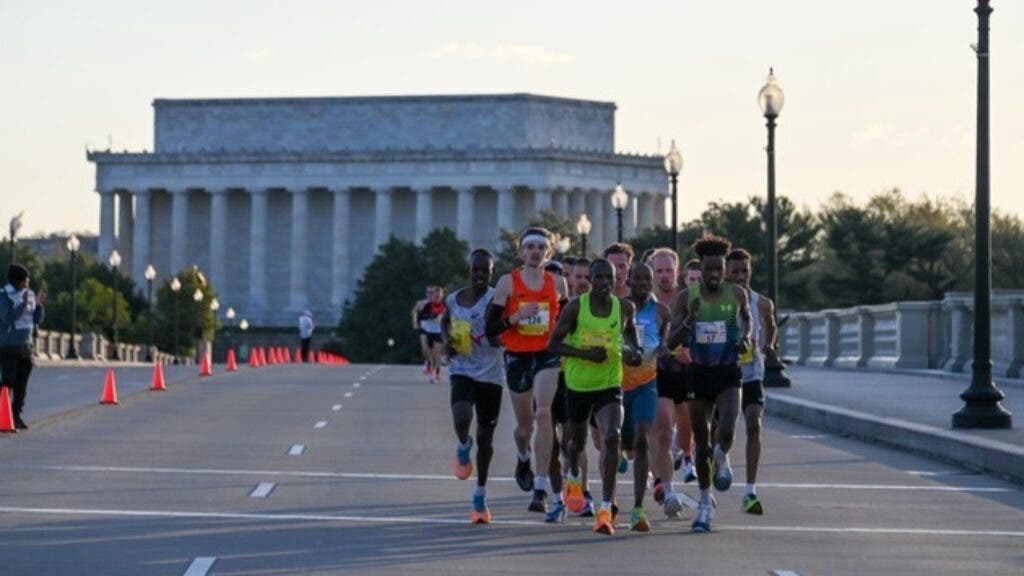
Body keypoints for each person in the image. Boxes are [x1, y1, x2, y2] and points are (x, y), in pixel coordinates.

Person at [548, 258, 642, 536]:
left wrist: (634, 354)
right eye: (598, 277)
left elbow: (632, 339)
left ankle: (605, 508)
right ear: (590, 280)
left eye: (608, 278)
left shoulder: (624, 307)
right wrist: (585, 354)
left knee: (612, 436)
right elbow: (553, 345)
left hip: (609, 383)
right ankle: (574, 476)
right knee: (576, 443)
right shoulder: (576, 307)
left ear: (615, 280)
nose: (604, 283)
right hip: (578, 384)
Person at [666, 236, 751, 533]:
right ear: (700, 268)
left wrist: (744, 339)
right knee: (701, 443)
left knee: (726, 429)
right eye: (709, 269)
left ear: (724, 269)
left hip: (727, 371)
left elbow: (747, 321)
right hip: (698, 373)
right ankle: (704, 506)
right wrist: (690, 319)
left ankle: (722, 455)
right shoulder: (685, 298)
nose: (715, 274)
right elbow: (671, 341)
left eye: (719, 269)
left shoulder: (736, 293)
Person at [485, 227, 569, 513]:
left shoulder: (558, 283)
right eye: (530, 247)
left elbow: (567, 321)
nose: (535, 252)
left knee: (544, 413)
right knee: (525, 427)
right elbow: (490, 328)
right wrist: (515, 317)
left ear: (549, 253)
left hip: (546, 354)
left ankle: (540, 488)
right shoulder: (507, 283)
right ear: (521, 252)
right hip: (517, 356)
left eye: (541, 247)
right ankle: (523, 456)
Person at [440, 249, 506, 524]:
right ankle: (462, 444)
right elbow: (445, 322)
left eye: (484, 271)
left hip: (491, 375)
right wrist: (448, 341)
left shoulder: (498, 298)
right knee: (462, 417)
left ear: (491, 273)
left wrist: (499, 337)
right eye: (475, 270)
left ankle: (480, 493)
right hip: (462, 370)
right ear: (469, 270)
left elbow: (503, 330)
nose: (479, 275)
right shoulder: (455, 299)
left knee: (486, 439)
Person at [619, 262, 671, 532]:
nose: (642, 283)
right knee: (621, 442)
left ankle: (638, 509)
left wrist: (663, 349)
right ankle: (608, 500)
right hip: (616, 385)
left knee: (641, 441)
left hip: (646, 384)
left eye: (646, 279)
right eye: (637, 278)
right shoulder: (618, 307)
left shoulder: (661, 312)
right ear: (628, 281)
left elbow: (665, 341)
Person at [726, 248, 777, 516]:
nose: (740, 276)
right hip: (724, 373)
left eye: (744, 271)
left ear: (750, 272)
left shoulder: (762, 303)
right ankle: (720, 460)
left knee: (754, 425)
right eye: (734, 271)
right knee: (722, 432)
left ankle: (750, 491)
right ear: (726, 272)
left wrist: (769, 344)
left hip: (752, 373)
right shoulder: (719, 301)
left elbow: (771, 325)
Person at [650, 252, 698, 518]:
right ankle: (667, 491)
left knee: (688, 430)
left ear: (677, 272)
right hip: (659, 373)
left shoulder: (688, 300)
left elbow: (705, 333)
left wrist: (693, 353)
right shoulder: (647, 303)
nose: (664, 276)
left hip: (686, 372)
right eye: (659, 271)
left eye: (668, 270)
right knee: (664, 432)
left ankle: (688, 460)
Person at [0, 264, 45, 431]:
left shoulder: (30, 294)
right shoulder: (3, 295)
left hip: (26, 346)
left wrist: (38, 305)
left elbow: (37, 320)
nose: (28, 282)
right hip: (8, 346)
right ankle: (3, 414)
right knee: (7, 383)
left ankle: (16, 415)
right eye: (26, 279)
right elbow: (8, 318)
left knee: (21, 385)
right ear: (18, 281)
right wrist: (23, 305)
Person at [413, 287, 447, 383]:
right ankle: (429, 365)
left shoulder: (445, 305)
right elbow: (422, 315)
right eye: (436, 295)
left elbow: (449, 317)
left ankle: (436, 373)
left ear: (442, 296)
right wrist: (432, 317)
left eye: (439, 296)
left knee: (437, 352)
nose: (437, 297)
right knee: (428, 351)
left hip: (439, 331)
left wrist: (443, 319)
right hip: (428, 331)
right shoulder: (427, 305)